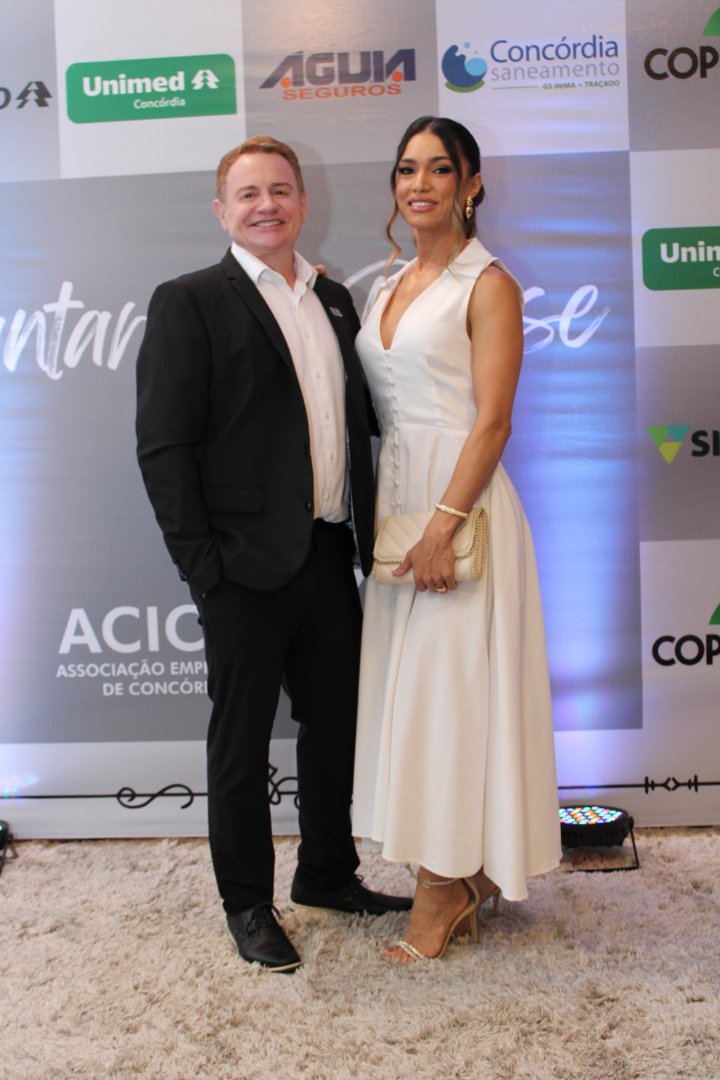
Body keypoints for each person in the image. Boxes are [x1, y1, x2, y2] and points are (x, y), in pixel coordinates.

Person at [136, 136, 411, 974]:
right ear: (223, 211)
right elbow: (164, 447)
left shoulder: (332, 298)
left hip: (329, 551)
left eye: (281, 190)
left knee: (334, 725)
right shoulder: (189, 301)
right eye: (249, 193)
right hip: (241, 567)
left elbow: (354, 421)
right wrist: (203, 566)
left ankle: (327, 873)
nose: (267, 204)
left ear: (303, 203)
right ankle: (248, 904)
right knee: (241, 740)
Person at [351, 116, 561, 964]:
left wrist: (445, 525)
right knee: (416, 698)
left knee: (450, 698)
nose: (421, 184)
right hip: (398, 509)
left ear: (471, 184)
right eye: (408, 169)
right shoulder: (386, 284)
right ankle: (460, 872)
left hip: (459, 512)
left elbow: (494, 421)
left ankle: (442, 891)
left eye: (440, 169)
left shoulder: (490, 283)